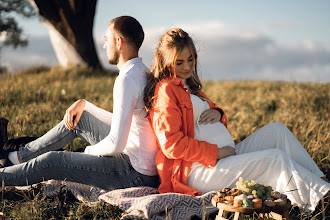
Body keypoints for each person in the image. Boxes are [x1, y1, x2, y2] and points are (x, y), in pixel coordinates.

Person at [143, 27, 330, 212]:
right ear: (166, 61)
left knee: (277, 130)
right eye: (179, 62)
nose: (187, 67)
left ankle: (321, 181)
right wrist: (217, 152)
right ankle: (321, 201)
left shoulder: (189, 85)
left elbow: (206, 119)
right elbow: (171, 144)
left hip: (223, 158)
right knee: (274, 159)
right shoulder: (166, 90)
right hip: (196, 171)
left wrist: (218, 113)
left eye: (190, 59)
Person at [0, 16, 159, 190]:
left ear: (119, 42)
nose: (105, 46)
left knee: (54, 161)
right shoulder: (141, 71)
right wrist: (86, 105)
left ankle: (4, 175)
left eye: (107, 40)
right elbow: (124, 122)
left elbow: (117, 143)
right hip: (140, 165)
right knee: (80, 118)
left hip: (133, 174)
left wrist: (89, 152)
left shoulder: (127, 79)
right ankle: (15, 157)